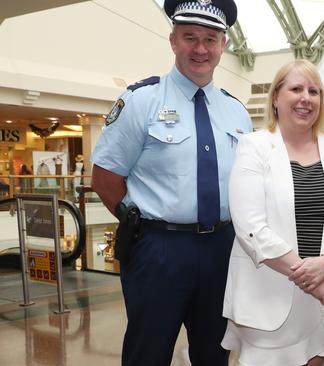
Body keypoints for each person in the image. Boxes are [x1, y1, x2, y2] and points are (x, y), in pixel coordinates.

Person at [91, 0, 251, 365]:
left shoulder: (236, 110)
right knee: (149, 352)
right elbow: (105, 177)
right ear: (173, 40)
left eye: (210, 39)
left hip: (222, 250)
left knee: (216, 352)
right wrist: (136, 223)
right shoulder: (140, 101)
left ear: (223, 45)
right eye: (190, 37)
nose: (200, 49)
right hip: (159, 249)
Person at [221, 59, 324, 366]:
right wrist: (312, 279)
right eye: (296, 89)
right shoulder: (254, 146)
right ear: (276, 97)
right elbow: (251, 228)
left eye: (314, 91)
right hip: (270, 296)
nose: (306, 98)